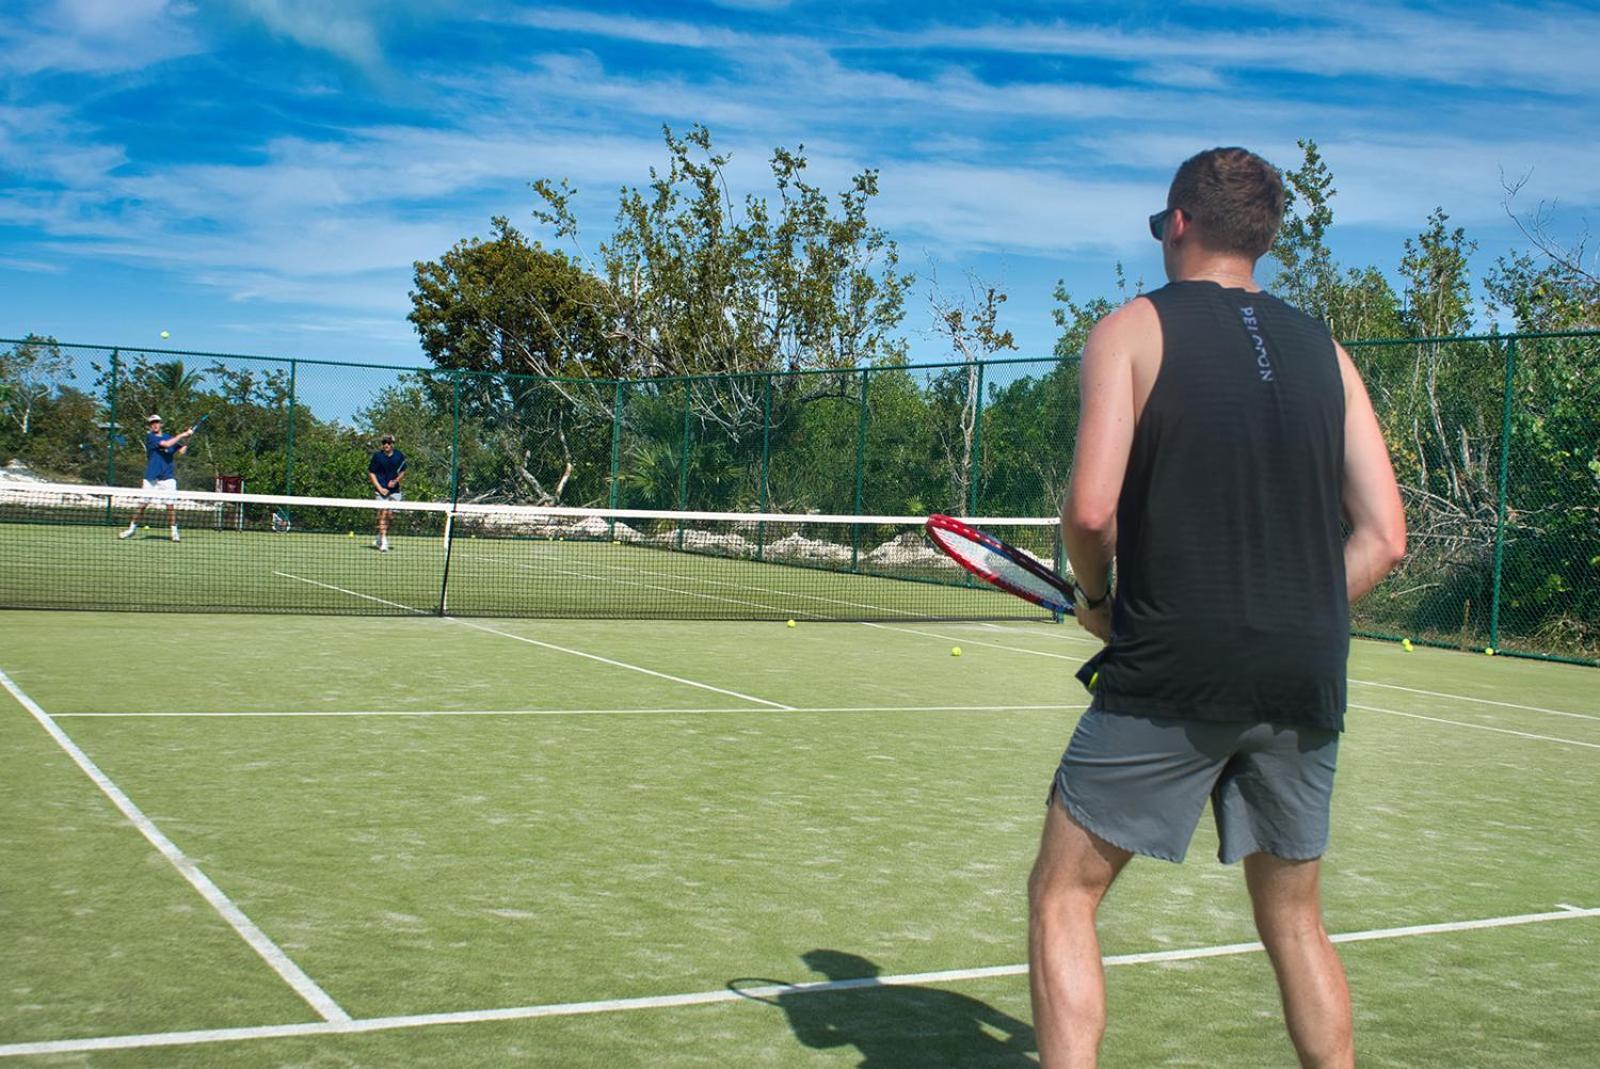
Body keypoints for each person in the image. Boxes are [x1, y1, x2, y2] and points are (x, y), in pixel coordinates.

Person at [1027, 147, 1407, 1069]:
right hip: (1305, 671)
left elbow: (1088, 511)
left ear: (1181, 223)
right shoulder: (1330, 351)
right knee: (1296, 919)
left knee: (1063, 895)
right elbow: (1386, 537)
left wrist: (1099, 597)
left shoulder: (1129, 329)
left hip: (1173, 668)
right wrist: (1298, 609)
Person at [117, 414, 194, 542]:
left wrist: (188, 438)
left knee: (170, 506)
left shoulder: (169, 437)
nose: (155, 425)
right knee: (142, 505)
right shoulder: (151, 438)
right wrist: (182, 435)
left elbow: (181, 451)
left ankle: (174, 533)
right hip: (151, 477)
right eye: (152, 423)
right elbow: (165, 444)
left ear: (161, 424)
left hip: (168, 478)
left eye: (157, 422)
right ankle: (131, 529)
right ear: (149, 426)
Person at [367, 433, 406, 551]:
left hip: (395, 491)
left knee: (390, 515)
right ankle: (384, 541)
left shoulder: (399, 456)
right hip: (381, 491)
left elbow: (403, 471)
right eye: (384, 443)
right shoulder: (377, 457)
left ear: (392, 444)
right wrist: (379, 488)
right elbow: (371, 473)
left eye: (389, 443)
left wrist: (396, 480)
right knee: (383, 512)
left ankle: (379, 536)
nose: (386, 445)